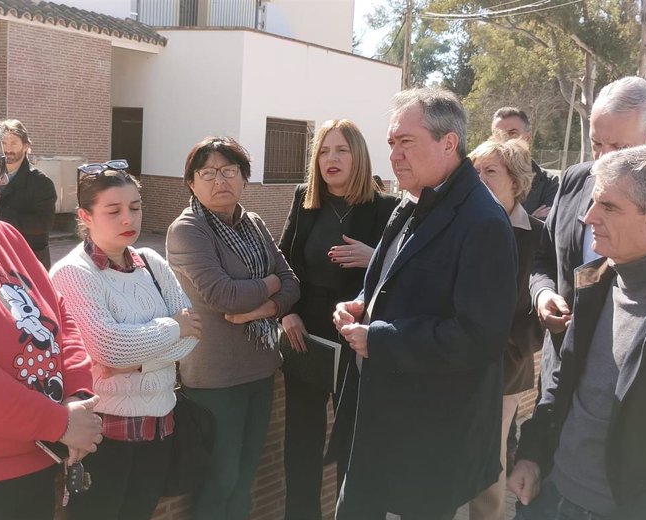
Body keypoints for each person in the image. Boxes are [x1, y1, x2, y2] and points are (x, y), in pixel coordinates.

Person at [332, 87, 518, 519]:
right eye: (391, 143)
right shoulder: (413, 200)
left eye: (406, 142)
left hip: (430, 432)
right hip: (378, 417)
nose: (394, 154)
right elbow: (388, 280)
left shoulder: (483, 222)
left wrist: (378, 338)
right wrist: (361, 304)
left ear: (448, 142)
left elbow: (480, 337)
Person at [509, 144, 646, 520]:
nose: (588, 217)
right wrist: (532, 454)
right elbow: (563, 377)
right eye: (593, 202)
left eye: (608, 207)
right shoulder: (596, 283)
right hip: (549, 494)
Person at [50, 160, 202, 520]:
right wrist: (171, 328)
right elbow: (108, 347)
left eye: (134, 208)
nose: (127, 220)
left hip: (160, 426)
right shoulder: (73, 272)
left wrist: (132, 359)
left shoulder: (151, 262)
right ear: (85, 216)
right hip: (105, 433)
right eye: (113, 210)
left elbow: (193, 332)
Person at [0, 107, 102, 519]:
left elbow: (58, 315)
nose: (5, 178)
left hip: (42, 456)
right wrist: (59, 421)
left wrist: (78, 399)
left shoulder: (3, 233)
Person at [166, 136, 300, 520]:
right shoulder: (187, 230)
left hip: (261, 368)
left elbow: (293, 283)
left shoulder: (253, 223)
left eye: (229, 171)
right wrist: (271, 285)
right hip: (215, 377)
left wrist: (264, 307)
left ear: (244, 177)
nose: (219, 180)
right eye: (207, 173)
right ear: (191, 182)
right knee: (220, 478)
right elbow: (223, 296)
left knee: (245, 476)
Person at [278, 119, 398, 520]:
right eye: (325, 151)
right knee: (302, 441)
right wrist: (287, 313)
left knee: (355, 440)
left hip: (355, 334)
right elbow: (285, 263)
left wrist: (373, 257)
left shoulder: (385, 207)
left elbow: (404, 276)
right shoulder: (304, 199)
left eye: (341, 150)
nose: (332, 158)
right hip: (306, 334)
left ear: (358, 156)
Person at [530, 76, 646, 396]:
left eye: (619, 147)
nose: (603, 159)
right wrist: (543, 294)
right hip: (559, 373)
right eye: (597, 144)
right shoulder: (574, 180)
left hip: (628, 392)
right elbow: (542, 257)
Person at [468, 139, 544, 520]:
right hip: (456, 364)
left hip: (505, 369)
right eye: (475, 171)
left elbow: (537, 312)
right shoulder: (464, 227)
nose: (479, 180)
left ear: (516, 182)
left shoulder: (537, 235)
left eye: (490, 172)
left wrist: (506, 352)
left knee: (490, 464)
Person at [0, 119, 57, 270]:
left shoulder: (41, 182)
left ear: (25, 146)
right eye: (4, 143)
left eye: (13, 143)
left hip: (29, 260)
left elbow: (43, 223)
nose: (8, 149)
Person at [492, 107, 559, 220]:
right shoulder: (480, 178)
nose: (505, 140)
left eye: (512, 133)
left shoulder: (548, 183)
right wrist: (530, 220)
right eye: (498, 134)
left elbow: (546, 229)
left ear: (528, 137)